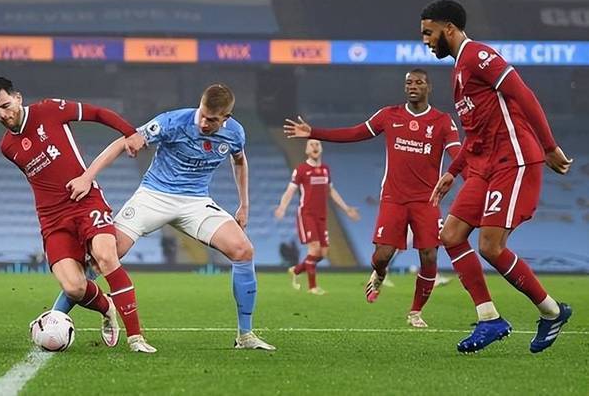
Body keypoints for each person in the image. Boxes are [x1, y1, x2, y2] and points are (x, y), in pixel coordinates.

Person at [55, 84, 276, 350]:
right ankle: (55, 317)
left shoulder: (235, 133)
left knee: (243, 250)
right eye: (202, 115)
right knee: (105, 256)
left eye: (212, 120)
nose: (204, 123)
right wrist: (86, 177)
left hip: (195, 202)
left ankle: (245, 335)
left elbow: (239, 160)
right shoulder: (173, 122)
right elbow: (123, 142)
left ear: (226, 118)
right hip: (154, 196)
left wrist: (244, 205)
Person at [421, 0, 573, 353]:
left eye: (429, 33)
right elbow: (475, 133)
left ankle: (551, 312)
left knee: (490, 246)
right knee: (451, 235)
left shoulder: (478, 55)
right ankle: (489, 318)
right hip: (484, 166)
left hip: (513, 159)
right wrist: (453, 171)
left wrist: (549, 145)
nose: (426, 41)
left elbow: (522, 93)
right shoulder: (459, 71)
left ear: (449, 29)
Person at [0, 77, 155, 353]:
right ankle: (107, 307)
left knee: (106, 256)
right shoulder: (7, 147)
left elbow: (97, 113)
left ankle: (136, 338)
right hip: (52, 219)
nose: (2, 114)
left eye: (5, 105)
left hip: (85, 201)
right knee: (74, 287)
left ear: (18, 98)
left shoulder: (49, 109)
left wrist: (130, 132)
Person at [284, 69, 461, 328]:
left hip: (427, 200)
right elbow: (354, 133)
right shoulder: (389, 115)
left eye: (419, 82)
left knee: (429, 255)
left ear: (428, 87)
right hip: (393, 198)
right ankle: (379, 274)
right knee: (382, 256)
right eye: (409, 83)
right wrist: (314, 132)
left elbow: (457, 152)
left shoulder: (442, 121)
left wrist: (468, 175)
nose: (413, 86)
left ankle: (415, 312)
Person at [274, 139, 360, 295]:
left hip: (322, 216)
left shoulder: (325, 169)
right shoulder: (301, 170)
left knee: (323, 253)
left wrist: (346, 208)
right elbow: (290, 191)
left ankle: (297, 270)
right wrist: (282, 207)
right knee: (314, 249)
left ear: (321, 149)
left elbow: (331, 191)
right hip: (306, 214)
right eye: (311, 145)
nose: (315, 147)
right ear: (306, 150)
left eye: (317, 144)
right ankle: (313, 287)